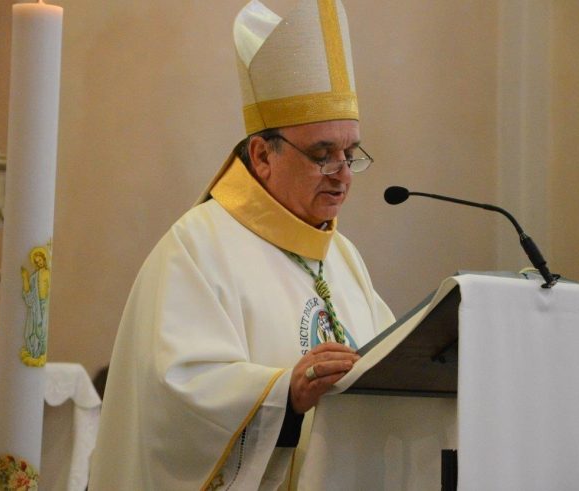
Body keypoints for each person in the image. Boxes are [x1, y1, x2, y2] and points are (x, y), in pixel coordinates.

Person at [89, 1, 394, 489]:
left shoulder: (342, 256)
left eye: (350, 154)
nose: (343, 175)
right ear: (262, 155)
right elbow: (176, 399)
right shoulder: (197, 248)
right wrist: (284, 394)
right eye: (322, 155)